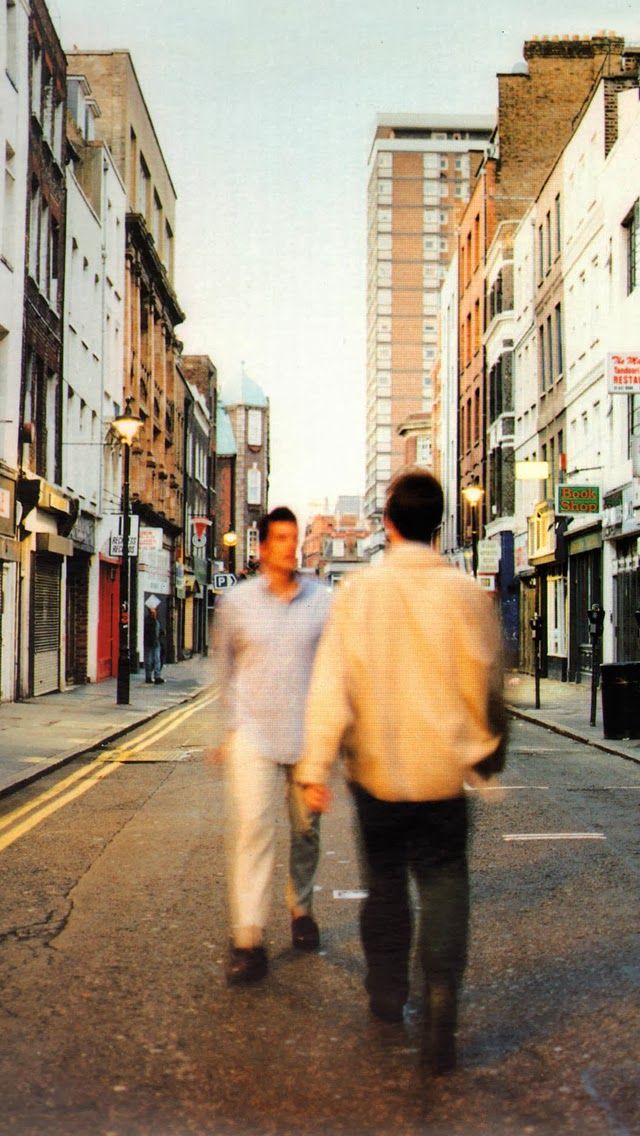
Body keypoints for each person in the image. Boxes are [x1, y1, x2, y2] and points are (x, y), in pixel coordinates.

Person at [295, 470, 506, 1074]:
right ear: (438, 525)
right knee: (444, 885)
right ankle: (441, 994)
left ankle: (388, 993)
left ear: (387, 522)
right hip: (442, 772)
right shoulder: (466, 594)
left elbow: (332, 684)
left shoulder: (359, 593)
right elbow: (485, 682)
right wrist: (483, 753)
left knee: (385, 884)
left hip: (379, 772)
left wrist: (315, 767)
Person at [214, 506, 331, 985]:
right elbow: (223, 672)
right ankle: (249, 940)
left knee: (306, 833)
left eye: (293, 537)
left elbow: (333, 674)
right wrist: (225, 732)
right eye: (278, 538)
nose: (288, 545)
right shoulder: (237, 603)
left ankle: (300, 907)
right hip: (254, 737)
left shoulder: (324, 601)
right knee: (253, 833)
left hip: (307, 738)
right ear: (262, 547)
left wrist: (332, 748)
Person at [143, 603, 164, 684]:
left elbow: (158, 631)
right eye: (152, 612)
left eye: (155, 612)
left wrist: (162, 632)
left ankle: (157, 677)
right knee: (149, 661)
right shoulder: (148, 621)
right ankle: (148, 677)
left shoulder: (156, 620)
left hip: (156, 643)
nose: (154, 613)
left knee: (157, 660)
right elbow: (149, 632)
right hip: (149, 643)